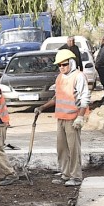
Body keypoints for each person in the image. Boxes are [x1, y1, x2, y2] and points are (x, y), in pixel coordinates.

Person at [38, 49, 91, 186]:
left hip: (73, 118)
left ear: (71, 63)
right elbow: (57, 97)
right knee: (62, 148)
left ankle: (76, 176)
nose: (62, 67)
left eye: (64, 64)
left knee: (73, 149)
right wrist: (43, 107)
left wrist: (80, 117)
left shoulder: (78, 76)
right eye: (59, 65)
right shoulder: (60, 77)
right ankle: (65, 173)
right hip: (61, 118)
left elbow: (85, 98)